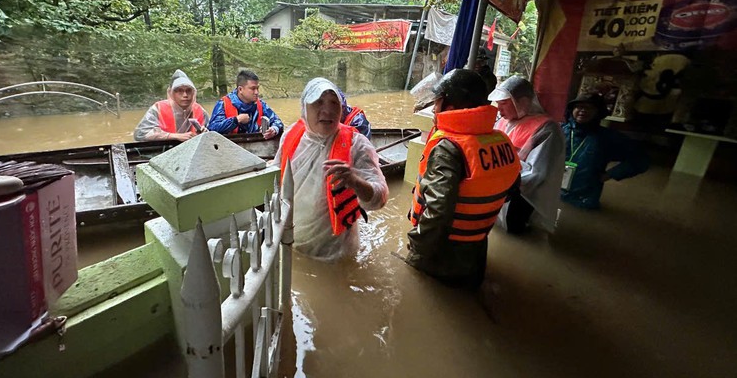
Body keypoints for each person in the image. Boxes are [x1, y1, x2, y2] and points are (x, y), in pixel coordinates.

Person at [406, 69, 520, 287]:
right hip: (477, 247)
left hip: (444, 252)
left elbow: (438, 211)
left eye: (436, 103)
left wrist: (417, 249)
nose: (433, 110)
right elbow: (512, 188)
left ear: (449, 107)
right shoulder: (499, 139)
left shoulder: (448, 147)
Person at [274, 78, 388, 262]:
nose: (327, 110)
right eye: (318, 102)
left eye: (334, 103)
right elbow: (273, 175)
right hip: (291, 244)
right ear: (304, 108)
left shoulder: (356, 144)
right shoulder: (290, 136)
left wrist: (355, 181)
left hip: (336, 255)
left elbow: (380, 198)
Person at [490, 75, 565, 234]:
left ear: (522, 102)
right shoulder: (503, 120)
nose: (498, 109)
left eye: (503, 103)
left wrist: (507, 184)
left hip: (522, 192)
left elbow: (537, 172)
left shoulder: (546, 128)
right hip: (497, 186)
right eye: (498, 104)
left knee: (513, 229)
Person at [561, 92, 649, 209]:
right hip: (552, 193)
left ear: (598, 113)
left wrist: (610, 174)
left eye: (589, 108)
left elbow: (641, 159)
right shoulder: (559, 130)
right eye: (579, 107)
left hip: (584, 199)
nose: (582, 110)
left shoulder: (608, 137)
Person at [133, 69, 208, 142]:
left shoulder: (200, 110)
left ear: (193, 93)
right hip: (164, 150)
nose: (185, 95)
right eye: (180, 91)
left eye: (188, 90)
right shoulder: (158, 108)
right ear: (172, 94)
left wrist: (205, 133)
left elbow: (212, 134)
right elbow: (140, 134)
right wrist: (174, 136)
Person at [207, 70, 283, 139]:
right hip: (231, 148)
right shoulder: (223, 104)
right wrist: (236, 120)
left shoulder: (261, 105)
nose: (256, 92)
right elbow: (212, 129)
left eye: (257, 88)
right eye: (253, 89)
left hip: (256, 147)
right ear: (240, 89)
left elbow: (278, 122)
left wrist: (273, 129)